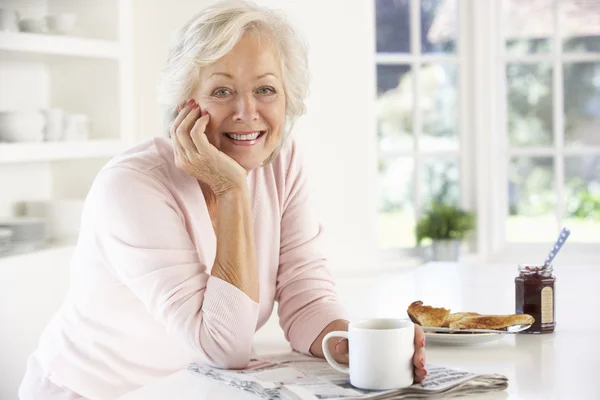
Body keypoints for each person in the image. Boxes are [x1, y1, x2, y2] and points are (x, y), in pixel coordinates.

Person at [18, 1, 426, 398]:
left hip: (194, 387)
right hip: (96, 392)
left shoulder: (280, 161)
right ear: (184, 105)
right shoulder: (131, 187)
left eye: (266, 89)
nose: (246, 111)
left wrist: (345, 344)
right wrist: (232, 191)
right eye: (222, 90)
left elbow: (305, 294)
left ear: (289, 99)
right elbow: (222, 346)